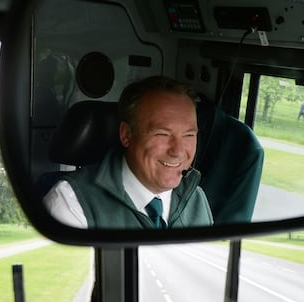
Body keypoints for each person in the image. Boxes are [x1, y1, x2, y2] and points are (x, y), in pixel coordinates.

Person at [44, 75, 213, 229]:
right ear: (127, 135)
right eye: (162, 134)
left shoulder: (195, 198)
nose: (177, 151)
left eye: (189, 135)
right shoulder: (71, 203)